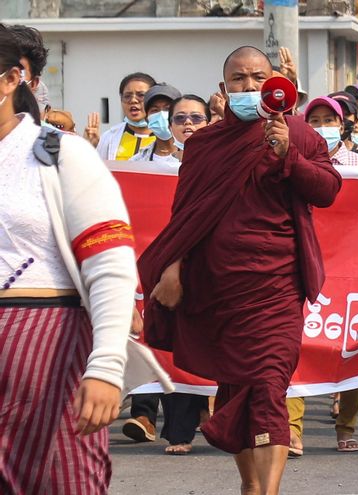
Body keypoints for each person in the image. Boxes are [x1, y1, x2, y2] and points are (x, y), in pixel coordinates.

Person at [138, 46, 341, 495]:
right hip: (219, 288)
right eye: (239, 80)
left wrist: (289, 153)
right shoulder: (205, 145)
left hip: (277, 286)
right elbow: (184, 216)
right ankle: (251, 485)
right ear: (222, 89)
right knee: (234, 390)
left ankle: (266, 492)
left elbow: (328, 190)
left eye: (257, 79)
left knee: (269, 383)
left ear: (273, 84)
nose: (249, 88)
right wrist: (171, 269)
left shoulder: (301, 134)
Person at [0, 32, 138, 493]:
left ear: (10, 80)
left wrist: (105, 367)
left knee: (63, 481)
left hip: (48, 352)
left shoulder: (60, 153)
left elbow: (111, 264)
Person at [126, 92, 213, 456]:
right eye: (180, 118)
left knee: (214, 341)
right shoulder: (141, 167)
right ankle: (179, 431)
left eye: (196, 117)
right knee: (176, 341)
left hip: (214, 264)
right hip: (168, 267)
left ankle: (220, 418)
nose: (187, 124)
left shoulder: (223, 161)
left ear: (210, 122)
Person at [287, 96, 358, 455]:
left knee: (350, 348)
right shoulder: (294, 161)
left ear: (343, 124)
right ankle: (292, 429)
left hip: (353, 271)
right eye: (314, 119)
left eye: (329, 119)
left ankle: (345, 425)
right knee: (296, 348)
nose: (322, 126)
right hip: (305, 265)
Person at [93, 72, 157, 160]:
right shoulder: (109, 137)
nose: (133, 100)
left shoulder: (167, 138)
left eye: (141, 95)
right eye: (127, 96)